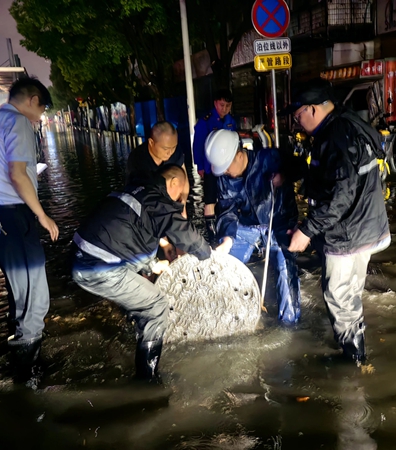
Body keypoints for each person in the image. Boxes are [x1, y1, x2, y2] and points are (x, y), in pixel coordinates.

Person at [283, 78, 391, 365]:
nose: (297, 123)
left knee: (338, 296)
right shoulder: (347, 123)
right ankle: (356, 346)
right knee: (350, 293)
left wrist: (306, 231)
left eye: (298, 116)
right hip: (366, 226)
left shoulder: (335, 137)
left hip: (348, 233)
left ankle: (354, 360)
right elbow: (332, 177)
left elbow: (340, 196)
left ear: (312, 109)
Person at [71, 165, 211, 381]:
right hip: (98, 266)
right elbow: (186, 234)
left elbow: (126, 236)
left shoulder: (137, 189)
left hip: (83, 255)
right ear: (174, 182)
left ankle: (137, 334)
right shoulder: (157, 200)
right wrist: (208, 254)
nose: (179, 202)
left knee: (143, 296)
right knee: (156, 306)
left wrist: (153, 265)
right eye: (181, 196)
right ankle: (147, 379)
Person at [0, 77, 59, 382]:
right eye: (42, 109)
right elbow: (17, 175)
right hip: (14, 215)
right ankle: (28, 375)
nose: (40, 116)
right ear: (33, 100)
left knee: (18, 290)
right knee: (35, 295)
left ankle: (21, 361)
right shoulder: (18, 123)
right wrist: (42, 215)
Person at [205, 129, 301, 325]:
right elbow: (227, 210)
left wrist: (285, 175)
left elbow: (302, 168)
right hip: (247, 226)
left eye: (226, 167)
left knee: (285, 269)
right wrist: (227, 239)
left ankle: (290, 322)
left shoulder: (270, 158)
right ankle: (230, 318)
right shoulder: (224, 178)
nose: (225, 172)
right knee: (228, 266)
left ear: (239, 155)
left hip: (279, 222)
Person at [126, 121, 188, 261]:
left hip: (168, 200)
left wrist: (182, 203)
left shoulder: (175, 152)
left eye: (173, 147)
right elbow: (145, 205)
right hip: (145, 210)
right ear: (151, 142)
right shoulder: (138, 161)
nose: (170, 152)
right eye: (166, 148)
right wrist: (164, 243)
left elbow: (183, 177)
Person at [192, 89, 237, 238]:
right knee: (210, 199)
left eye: (228, 106)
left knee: (226, 197)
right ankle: (211, 234)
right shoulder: (205, 121)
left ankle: (225, 229)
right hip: (210, 167)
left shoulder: (231, 121)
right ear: (215, 103)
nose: (224, 109)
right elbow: (198, 145)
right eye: (222, 105)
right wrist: (199, 166)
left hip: (227, 168)